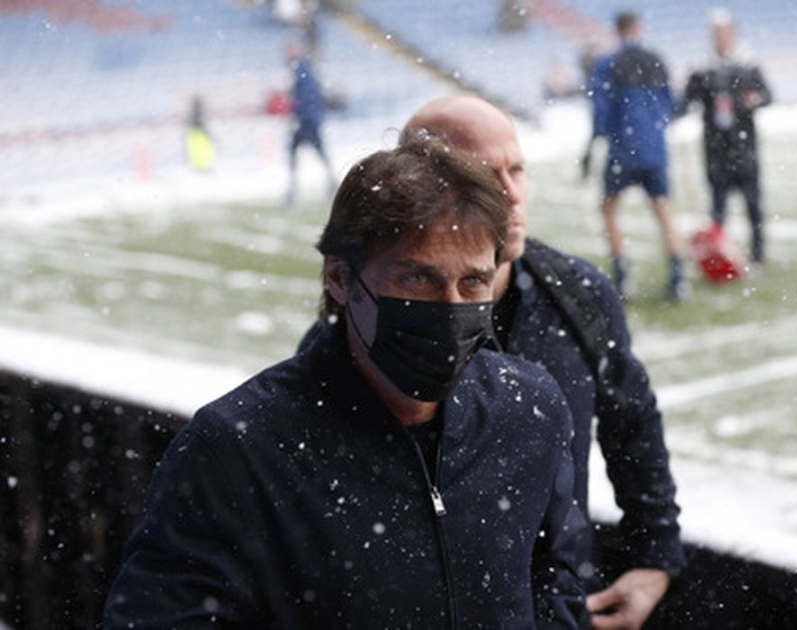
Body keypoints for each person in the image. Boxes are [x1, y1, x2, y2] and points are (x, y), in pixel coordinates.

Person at [103, 136, 588, 628]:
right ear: (340, 278)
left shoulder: (529, 409)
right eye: (417, 279)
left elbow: (556, 579)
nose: (451, 307)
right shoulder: (239, 447)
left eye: (473, 282)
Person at [398, 96, 686, 629]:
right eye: (484, 177)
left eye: (517, 170)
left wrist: (655, 556)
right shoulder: (375, 325)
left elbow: (632, 419)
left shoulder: (577, 294)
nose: (510, 195)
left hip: (563, 612)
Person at [587, 11, 687, 302]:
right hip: (654, 149)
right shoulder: (655, 58)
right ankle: (678, 278)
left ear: (616, 31)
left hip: (623, 150)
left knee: (608, 208)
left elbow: (600, 109)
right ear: (639, 28)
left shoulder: (608, 62)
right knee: (664, 210)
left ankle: (622, 279)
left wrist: (596, 141)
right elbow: (672, 104)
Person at [681, 9, 773, 268]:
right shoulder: (703, 67)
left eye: (724, 33)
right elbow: (687, 100)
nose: (720, 39)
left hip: (744, 147)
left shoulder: (747, 63)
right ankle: (718, 258)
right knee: (718, 209)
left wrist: (755, 100)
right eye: (716, 34)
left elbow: (767, 94)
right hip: (716, 148)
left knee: (753, 205)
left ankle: (758, 256)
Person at [284, 39, 337, 207]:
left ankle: (295, 190)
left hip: (307, 121)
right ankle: (328, 183)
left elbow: (307, 97)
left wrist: (301, 116)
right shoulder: (301, 69)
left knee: (304, 153)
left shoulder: (301, 69)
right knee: (312, 153)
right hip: (308, 119)